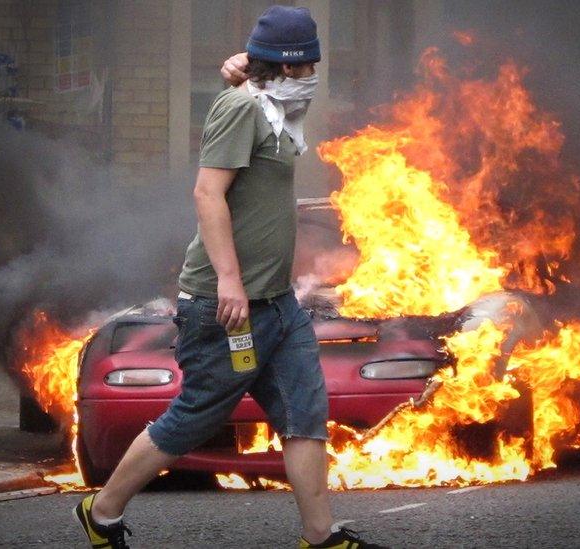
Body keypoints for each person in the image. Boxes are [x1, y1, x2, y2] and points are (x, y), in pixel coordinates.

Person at [74, 7, 384, 548]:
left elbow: (254, 98)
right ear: (288, 67)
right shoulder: (241, 108)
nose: (313, 74)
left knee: (304, 412)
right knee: (196, 416)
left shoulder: (271, 107)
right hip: (227, 309)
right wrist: (229, 282)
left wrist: (241, 72)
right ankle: (101, 512)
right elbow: (207, 192)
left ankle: (320, 535)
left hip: (278, 307)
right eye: (308, 64)